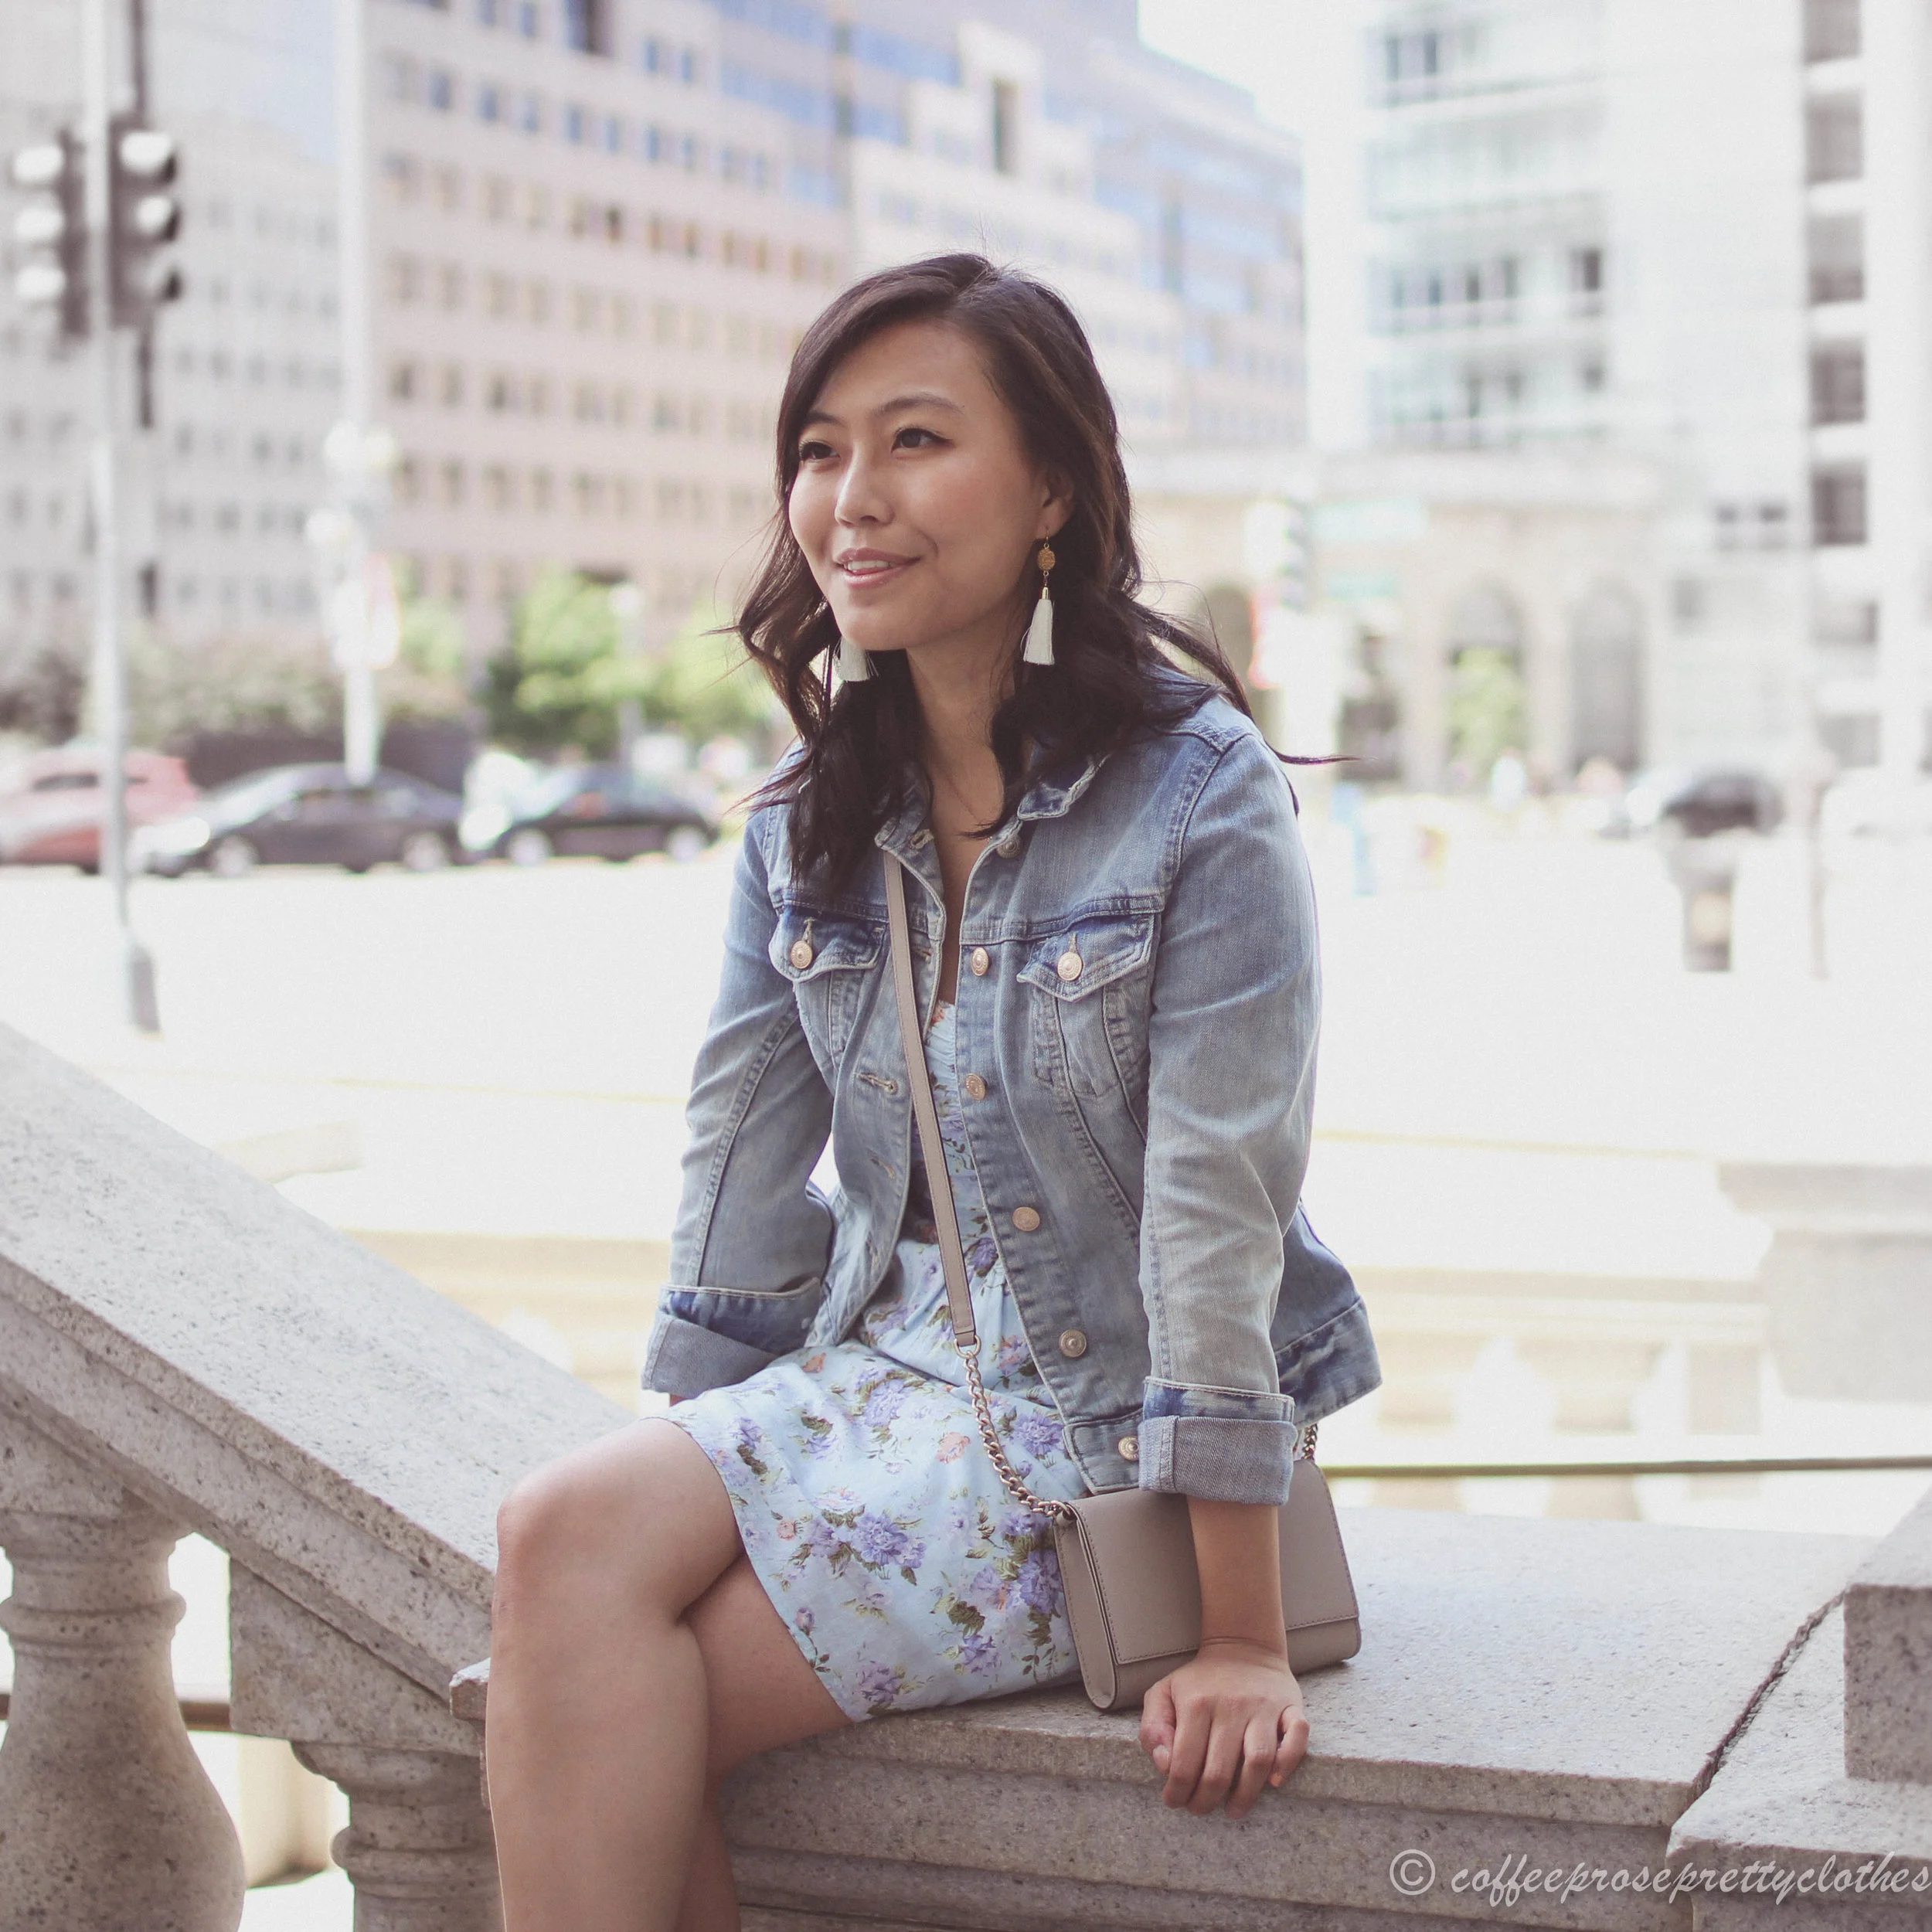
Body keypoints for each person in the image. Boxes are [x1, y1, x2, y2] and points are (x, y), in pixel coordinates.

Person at [485, 253, 1382, 1932]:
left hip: (1103, 1418)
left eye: (914, 440)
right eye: (820, 450)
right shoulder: (804, 816)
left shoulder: (1196, 794)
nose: (853, 498)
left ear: (1051, 489)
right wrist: (706, 1467)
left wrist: (1236, 1631)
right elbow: (737, 1151)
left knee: (625, 1705)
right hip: (884, 1358)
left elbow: (1217, 1209)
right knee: (563, 1536)